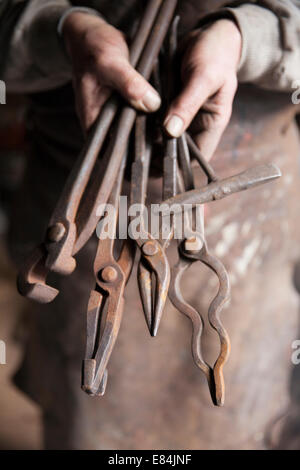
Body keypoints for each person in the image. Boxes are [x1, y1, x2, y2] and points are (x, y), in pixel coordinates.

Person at [1, 0, 300, 449]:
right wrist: (63, 27)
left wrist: (244, 37)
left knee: (240, 411)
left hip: (249, 219)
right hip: (82, 202)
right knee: (90, 417)